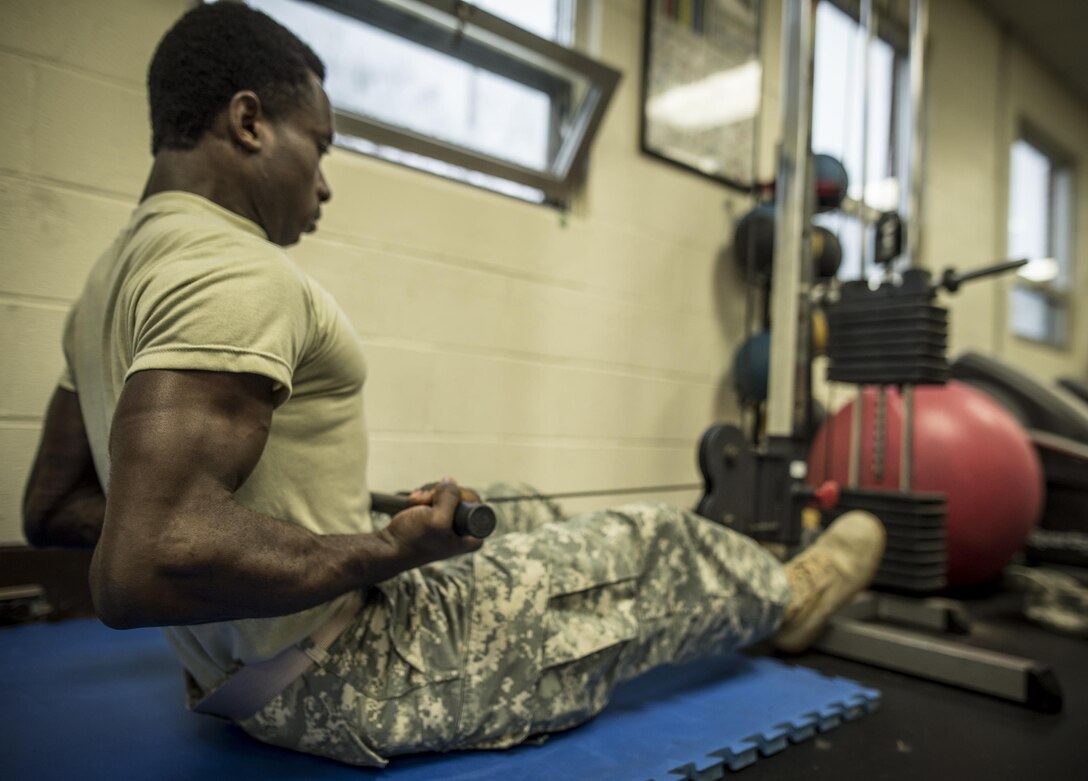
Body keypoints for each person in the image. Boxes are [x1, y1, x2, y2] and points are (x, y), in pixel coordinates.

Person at [21, 2, 886, 768]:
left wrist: (332, 519)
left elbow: (54, 507)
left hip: (242, 673)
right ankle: (789, 597)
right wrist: (385, 550)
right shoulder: (230, 269)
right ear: (248, 122)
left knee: (509, 500)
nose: (323, 184)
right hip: (349, 675)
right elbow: (140, 564)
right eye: (319, 147)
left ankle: (738, 579)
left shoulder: (109, 280)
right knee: (656, 540)